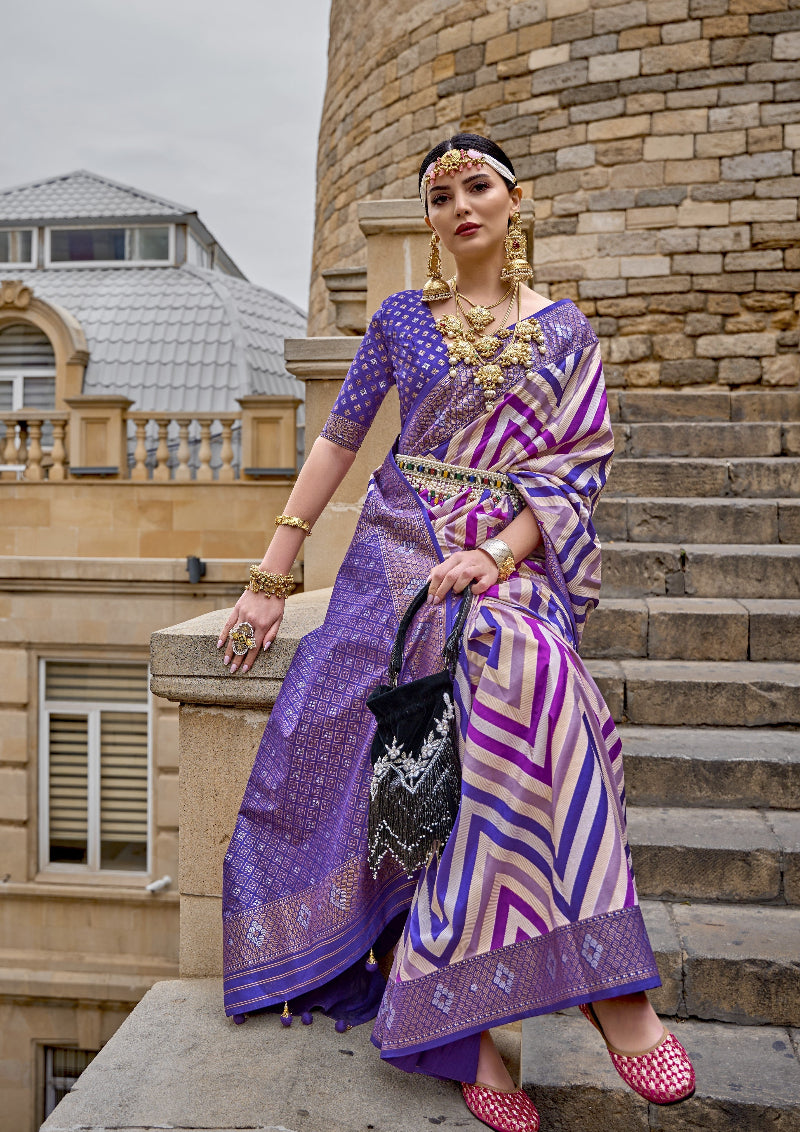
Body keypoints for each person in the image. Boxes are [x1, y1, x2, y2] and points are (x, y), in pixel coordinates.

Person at [218, 134, 695, 1132]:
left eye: (476, 186)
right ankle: (484, 1023)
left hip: (509, 557)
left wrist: (501, 554)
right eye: (439, 195)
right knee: (473, 690)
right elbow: (340, 440)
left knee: (533, 681)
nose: (458, 206)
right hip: (398, 550)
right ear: (429, 219)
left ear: (515, 201)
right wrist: (269, 574)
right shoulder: (401, 322)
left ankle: (593, 991)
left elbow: (575, 466)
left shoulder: (564, 333)